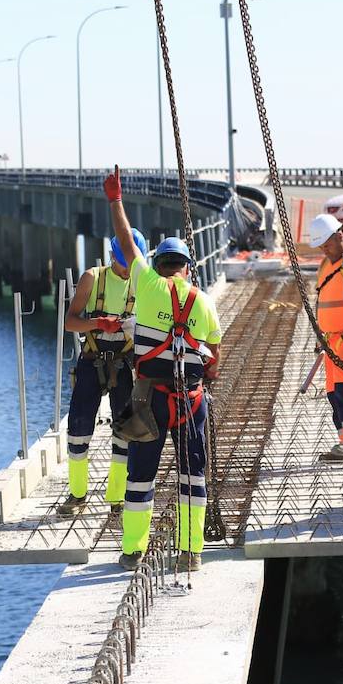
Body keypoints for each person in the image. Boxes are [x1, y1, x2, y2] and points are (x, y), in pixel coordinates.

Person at [104, 166, 222, 571]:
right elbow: (214, 354)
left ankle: (132, 551)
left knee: (140, 476)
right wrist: (204, 369)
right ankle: (190, 552)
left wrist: (116, 200)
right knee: (193, 477)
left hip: (150, 398)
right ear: (187, 267)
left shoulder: (147, 283)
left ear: (157, 265)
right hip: (190, 400)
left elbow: (126, 241)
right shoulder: (204, 301)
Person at [56, 227, 149, 516]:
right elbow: (70, 322)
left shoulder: (143, 284)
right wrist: (98, 323)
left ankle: (117, 498)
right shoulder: (92, 279)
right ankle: (77, 494)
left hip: (124, 362)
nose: (127, 270)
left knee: (125, 432)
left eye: (131, 263)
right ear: (112, 256)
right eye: (123, 263)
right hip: (92, 358)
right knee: (79, 427)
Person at [307, 214, 343, 461]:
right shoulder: (325, 265)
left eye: (327, 245)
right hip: (331, 343)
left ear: (340, 236)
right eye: (321, 247)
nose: (325, 250)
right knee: (333, 393)